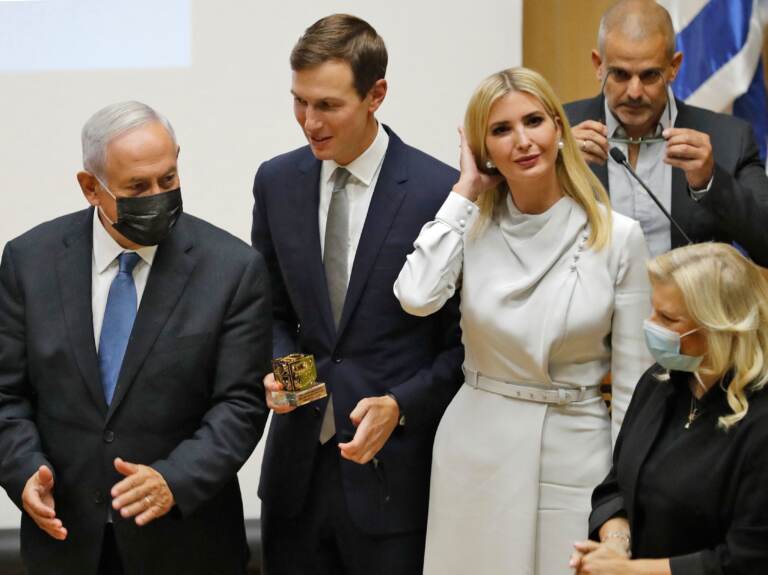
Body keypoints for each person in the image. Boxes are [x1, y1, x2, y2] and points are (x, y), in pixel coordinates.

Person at [394, 67, 654, 574]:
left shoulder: (618, 236)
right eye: (500, 130)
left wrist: (621, 497)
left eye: (534, 121)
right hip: (475, 447)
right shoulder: (469, 224)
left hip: (576, 449)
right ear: (482, 148)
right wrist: (466, 188)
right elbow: (416, 297)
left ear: (558, 128)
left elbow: (633, 387)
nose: (523, 140)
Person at [0, 101, 271, 574]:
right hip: (65, 542)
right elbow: (6, 395)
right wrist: (23, 471)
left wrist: (175, 478)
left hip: (187, 544)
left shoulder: (232, 269)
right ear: (90, 188)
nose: (158, 196)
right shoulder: (29, 261)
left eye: (168, 180)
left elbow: (240, 404)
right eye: (137, 187)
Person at [251, 14, 463, 575]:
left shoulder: (437, 191)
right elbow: (269, 311)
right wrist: (285, 372)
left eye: (327, 105)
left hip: (394, 480)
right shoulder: (276, 181)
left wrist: (401, 406)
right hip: (295, 477)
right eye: (299, 101)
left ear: (376, 96)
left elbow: (463, 347)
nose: (308, 122)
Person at [571, 242, 768, 575]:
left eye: (667, 318)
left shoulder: (760, 422)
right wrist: (615, 545)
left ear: (719, 328)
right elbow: (615, 486)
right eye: (652, 310)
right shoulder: (659, 381)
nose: (650, 325)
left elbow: (749, 560)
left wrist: (630, 572)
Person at [564, 0, 768, 265]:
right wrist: (556, 167)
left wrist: (710, 181)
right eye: (620, 75)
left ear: (674, 67)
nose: (634, 92)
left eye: (650, 75)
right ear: (598, 65)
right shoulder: (559, 130)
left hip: (686, 305)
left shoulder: (729, 138)